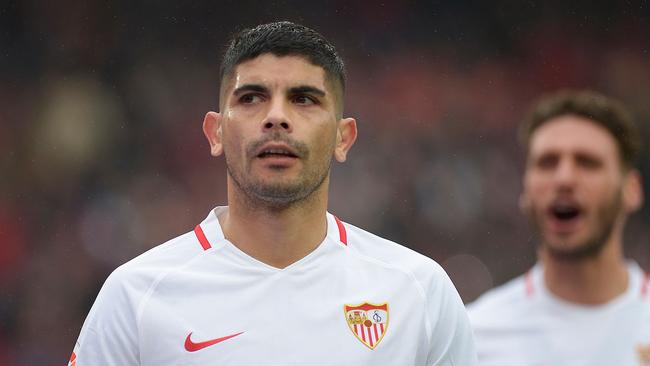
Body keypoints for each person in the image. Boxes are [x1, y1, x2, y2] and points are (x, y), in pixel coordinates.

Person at [68, 21, 477, 365]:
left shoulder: (417, 292)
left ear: (343, 137)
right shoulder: (136, 296)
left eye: (303, 99)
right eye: (251, 98)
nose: (276, 117)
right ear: (216, 132)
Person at [468, 90, 650, 365]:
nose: (564, 178)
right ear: (525, 188)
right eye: (547, 163)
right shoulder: (475, 336)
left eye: (587, 163)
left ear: (631, 190)